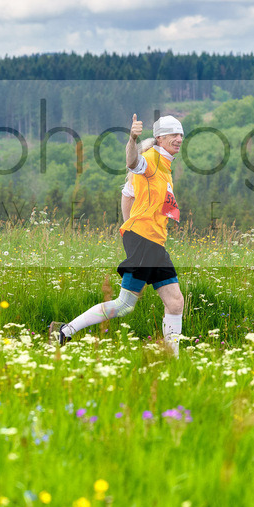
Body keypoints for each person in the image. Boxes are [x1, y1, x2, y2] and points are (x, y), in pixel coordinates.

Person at [50, 114, 185, 355]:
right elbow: (133, 162)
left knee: (175, 302)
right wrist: (132, 139)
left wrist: (128, 229)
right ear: (159, 138)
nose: (179, 139)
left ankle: (174, 359)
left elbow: (127, 193)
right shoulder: (150, 159)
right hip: (145, 240)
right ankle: (65, 332)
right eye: (173, 134)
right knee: (124, 305)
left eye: (181, 134)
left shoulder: (165, 165)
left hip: (152, 242)